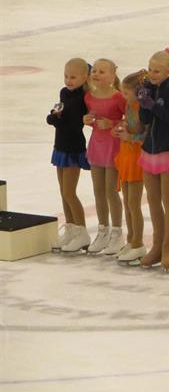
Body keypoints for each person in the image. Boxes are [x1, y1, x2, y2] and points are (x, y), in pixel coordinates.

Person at [137, 48, 169, 271]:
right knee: (153, 200)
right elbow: (145, 119)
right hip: (150, 149)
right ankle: (156, 246)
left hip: (168, 149)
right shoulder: (149, 87)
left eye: (156, 71)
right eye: (150, 69)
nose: (152, 74)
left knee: (168, 200)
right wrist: (143, 102)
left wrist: (153, 105)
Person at [83, 58, 126, 256]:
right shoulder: (89, 97)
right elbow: (93, 118)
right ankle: (102, 230)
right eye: (95, 71)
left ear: (112, 75)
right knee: (98, 190)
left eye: (102, 71)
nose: (96, 74)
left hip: (113, 146)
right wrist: (88, 120)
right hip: (96, 145)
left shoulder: (118, 97)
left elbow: (129, 121)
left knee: (110, 190)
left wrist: (112, 123)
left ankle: (117, 233)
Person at [48, 58, 91, 253]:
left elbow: (74, 124)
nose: (68, 80)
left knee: (69, 192)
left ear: (84, 77)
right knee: (62, 192)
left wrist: (57, 120)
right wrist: (54, 116)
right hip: (60, 145)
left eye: (73, 77)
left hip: (73, 147)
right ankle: (71, 229)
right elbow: (62, 113)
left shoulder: (84, 97)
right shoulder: (64, 93)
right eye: (66, 76)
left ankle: (82, 232)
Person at [113, 70, 148, 265]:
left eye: (126, 93)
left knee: (134, 203)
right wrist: (122, 127)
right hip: (126, 153)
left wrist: (131, 136)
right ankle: (130, 239)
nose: (123, 96)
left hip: (137, 156)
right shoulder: (128, 105)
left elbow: (146, 134)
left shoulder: (143, 108)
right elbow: (128, 121)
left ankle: (138, 243)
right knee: (126, 202)